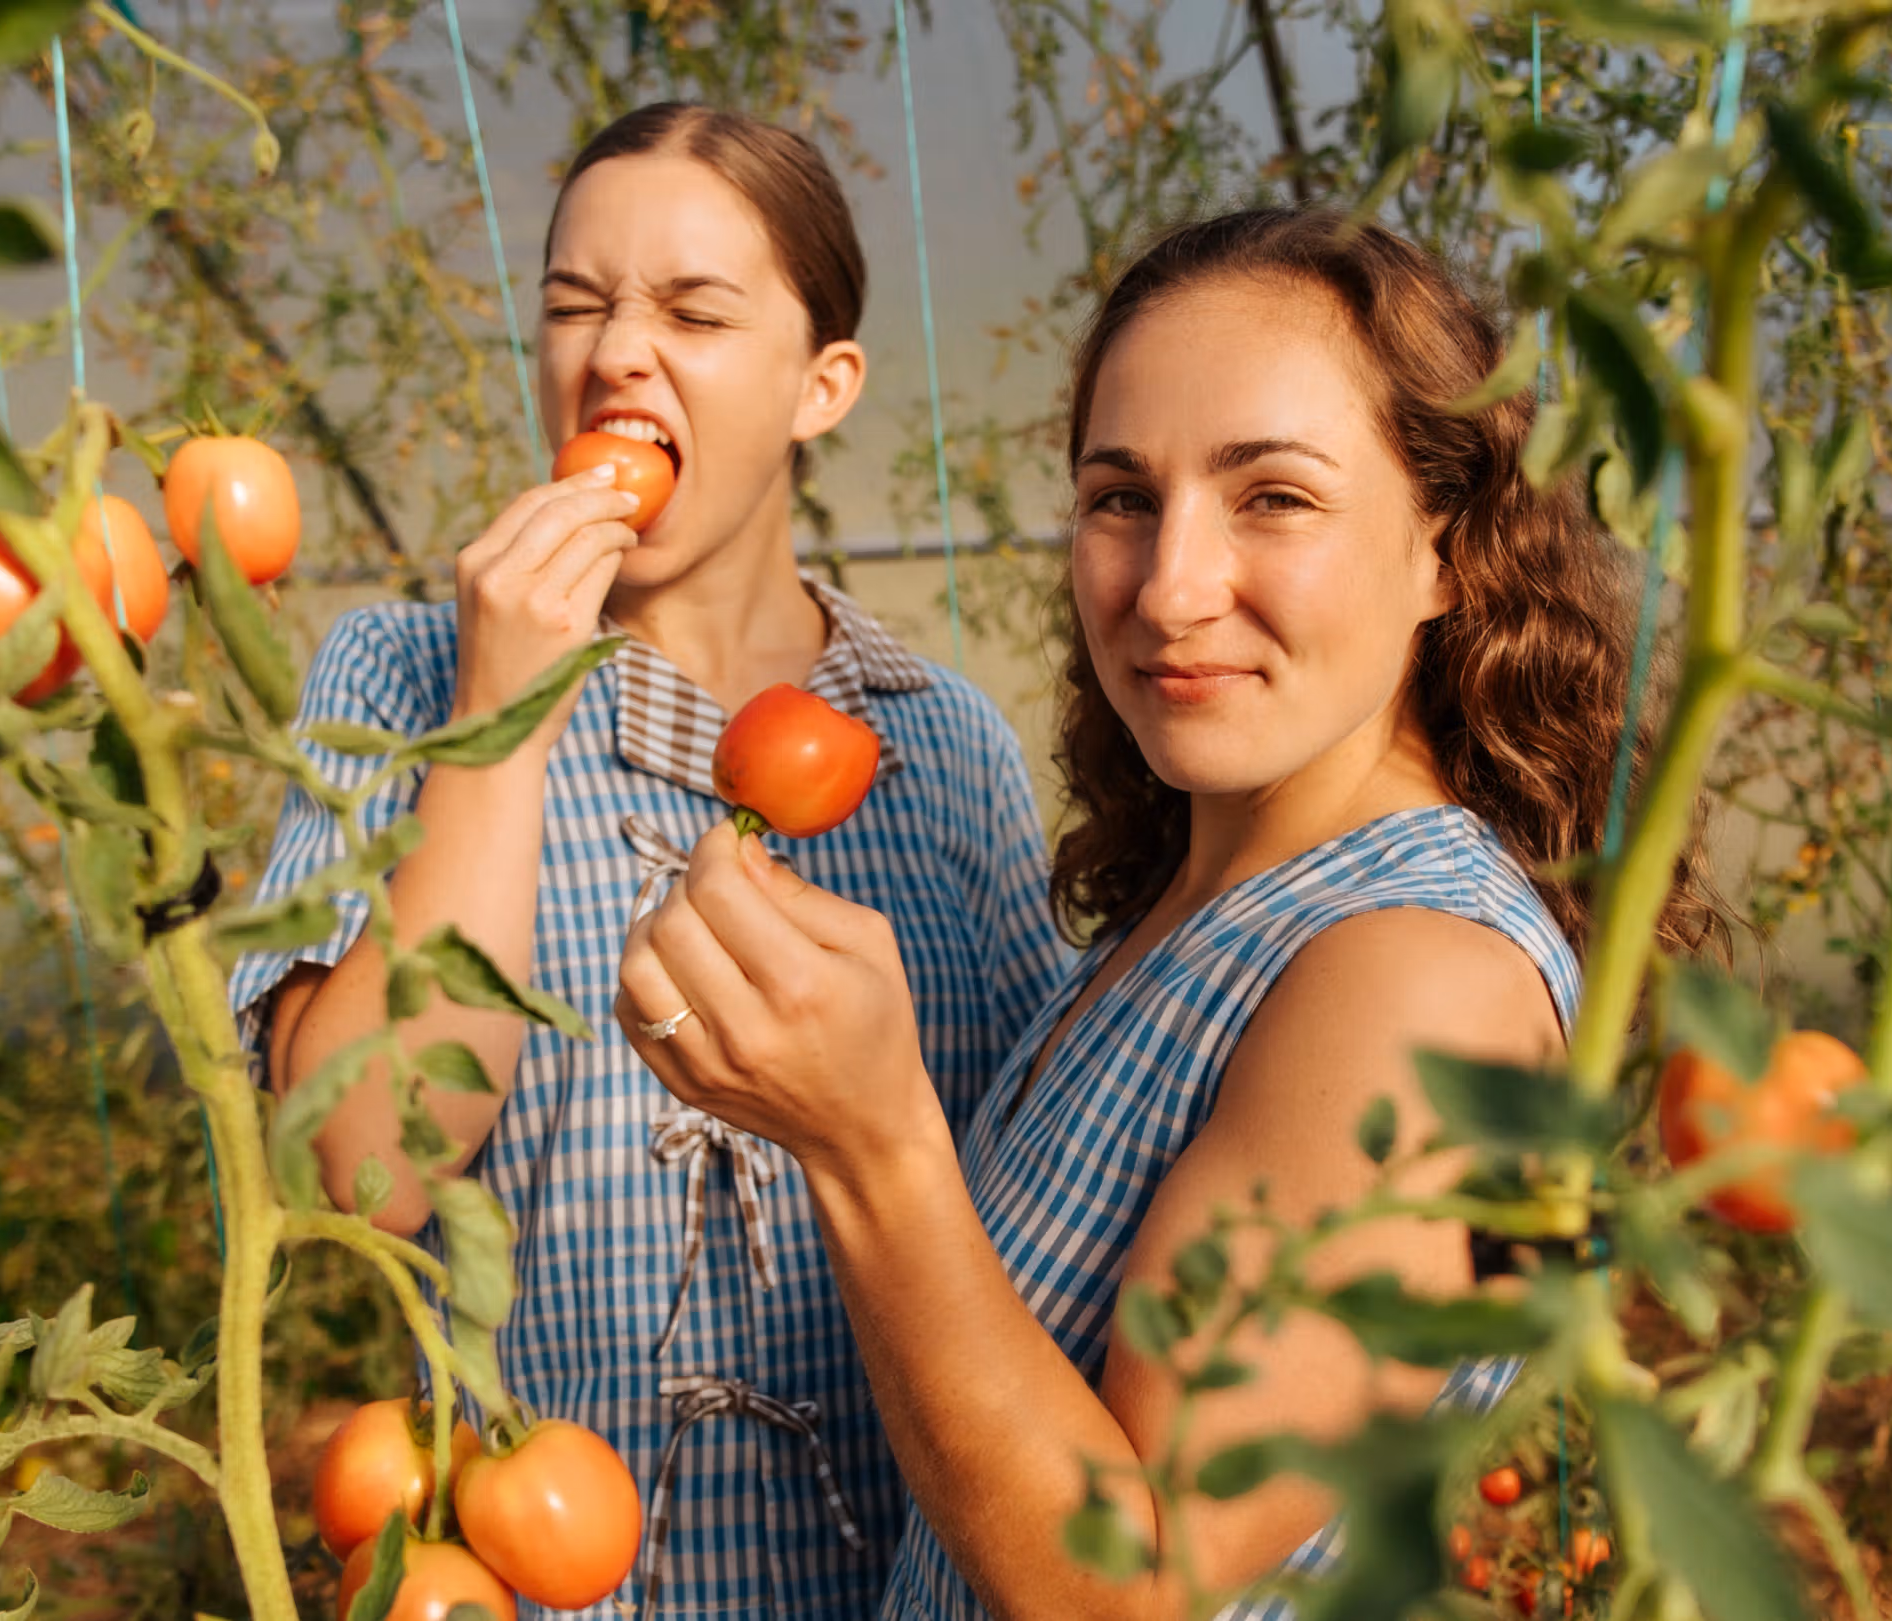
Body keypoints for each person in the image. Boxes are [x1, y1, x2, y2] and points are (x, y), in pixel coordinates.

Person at [612, 205, 1721, 1620]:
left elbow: (1133, 1583)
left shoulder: (1417, 978)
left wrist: (870, 1142)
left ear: (1445, 550)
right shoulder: (1191, 911)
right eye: (1121, 498)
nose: (1171, 587)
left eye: (1275, 497)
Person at [227, 102, 1073, 1620]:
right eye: (576, 305)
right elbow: (362, 1172)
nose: (618, 351)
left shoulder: (941, 746)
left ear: (821, 385)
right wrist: (500, 720)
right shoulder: (402, 675)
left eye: (693, 311)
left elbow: (1031, 1227)